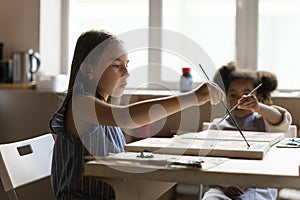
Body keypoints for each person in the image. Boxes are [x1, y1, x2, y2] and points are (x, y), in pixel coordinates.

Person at [49, 29, 225, 200]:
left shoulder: (102, 111)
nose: (126, 73)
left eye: (127, 65)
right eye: (117, 66)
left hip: (109, 192)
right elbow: (127, 117)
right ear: (89, 70)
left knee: (187, 166)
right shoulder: (80, 104)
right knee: (186, 168)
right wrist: (192, 97)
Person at [202, 62, 292, 200]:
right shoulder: (217, 126)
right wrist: (224, 185)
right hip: (222, 186)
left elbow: (281, 119)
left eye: (246, 94)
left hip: (258, 187)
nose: (239, 100)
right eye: (233, 95)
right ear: (225, 98)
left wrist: (258, 108)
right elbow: (206, 162)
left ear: (258, 97)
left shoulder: (263, 122)